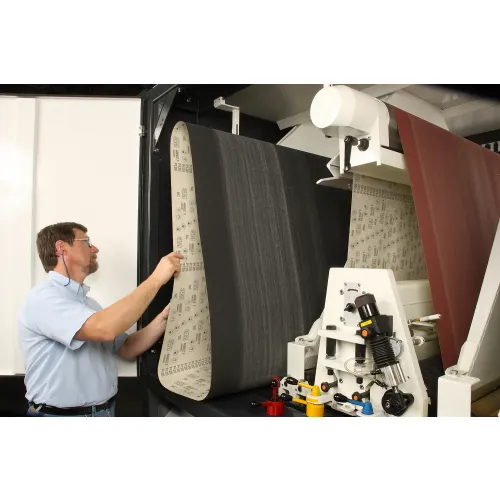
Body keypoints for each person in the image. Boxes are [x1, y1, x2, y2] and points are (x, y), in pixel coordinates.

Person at [18, 222, 183, 417]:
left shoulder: (89, 305)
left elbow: (127, 347)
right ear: (61, 248)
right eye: (87, 242)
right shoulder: (43, 298)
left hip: (104, 411)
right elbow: (106, 329)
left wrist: (166, 317)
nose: (95, 248)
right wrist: (156, 279)